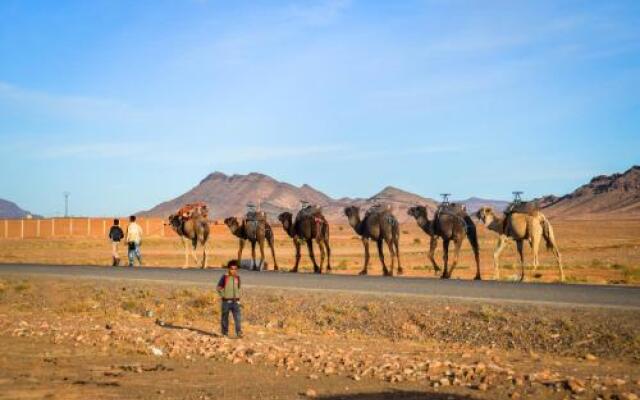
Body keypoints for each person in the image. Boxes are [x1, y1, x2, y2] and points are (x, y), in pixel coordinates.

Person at [216, 260, 243, 338]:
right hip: (226, 302)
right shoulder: (224, 277)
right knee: (224, 318)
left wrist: (238, 299)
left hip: (236, 302)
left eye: (235, 269)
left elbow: (238, 288)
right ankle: (224, 333)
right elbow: (218, 288)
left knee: (238, 318)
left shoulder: (238, 277)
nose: (233, 270)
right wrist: (224, 296)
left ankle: (239, 333)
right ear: (228, 269)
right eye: (231, 268)